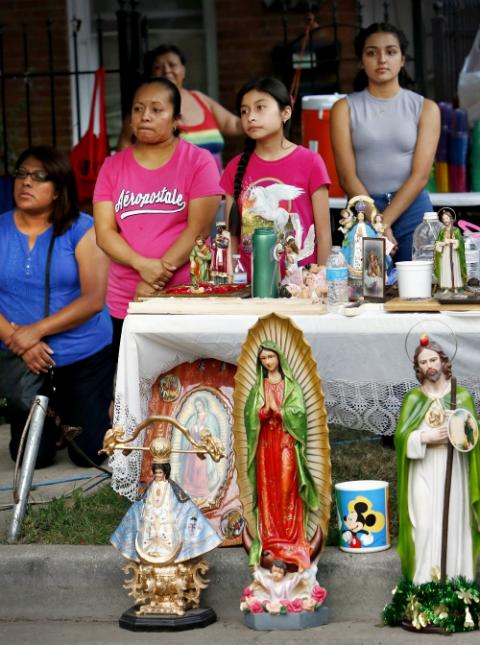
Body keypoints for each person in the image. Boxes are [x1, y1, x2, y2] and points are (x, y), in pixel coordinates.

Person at [0, 146, 113, 468]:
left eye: (39, 177)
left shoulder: (83, 229)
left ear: (58, 189)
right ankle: (57, 417)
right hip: (26, 360)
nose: (26, 182)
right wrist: (18, 340)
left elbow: (93, 300)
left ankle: (89, 407)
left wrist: (34, 332)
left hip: (82, 355)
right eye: (21, 174)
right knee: (31, 459)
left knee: (89, 455)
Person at [93, 77, 223, 358]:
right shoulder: (112, 167)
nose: (145, 116)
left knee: (188, 383)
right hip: (126, 296)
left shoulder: (199, 162)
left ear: (177, 119)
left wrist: (153, 281)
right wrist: (142, 266)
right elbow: (104, 233)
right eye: (138, 109)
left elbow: (198, 230)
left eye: (156, 109)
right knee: (133, 385)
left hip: (187, 292)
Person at [330, 22, 441, 262]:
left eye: (391, 52)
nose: (382, 59)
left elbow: (421, 175)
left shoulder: (426, 108)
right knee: (365, 290)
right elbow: (347, 177)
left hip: (414, 210)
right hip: (362, 211)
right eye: (372, 52)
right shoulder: (343, 109)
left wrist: (383, 223)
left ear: (402, 60)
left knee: (421, 290)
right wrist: (376, 221)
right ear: (361, 61)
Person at [220, 76, 331, 282]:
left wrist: (319, 283)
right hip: (248, 284)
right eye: (244, 111)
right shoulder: (235, 167)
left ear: (285, 113)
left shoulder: (310, 162)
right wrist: (231, 281)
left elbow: (324, 236)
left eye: (260, 108)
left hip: (300, 283)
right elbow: (232, 236)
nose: (251, 117)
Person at [395, 338, 480, 584]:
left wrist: (461, 422)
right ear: (418, 368)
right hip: (423, 467)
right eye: (424, 362)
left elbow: (473, 438)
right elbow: (400, 438)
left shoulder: (460, 396)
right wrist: (423, 436)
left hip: (454, 470)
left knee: (454, 524)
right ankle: (423, 585)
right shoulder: (413, 399)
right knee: (424, 526)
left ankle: (455, 583)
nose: (430, 365)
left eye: (433, 360)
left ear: (443, 361)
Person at [243, 341, 319, 570]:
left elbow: (299, 414)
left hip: (285, 441)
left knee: (287, 487)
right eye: (263, 358)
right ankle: (271, 537)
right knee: (269, 488)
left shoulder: (291, 386)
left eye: (271, 357)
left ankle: (292, 539)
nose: (267, 362)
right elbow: (250, 416)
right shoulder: (259, 388)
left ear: (279, 358)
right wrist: (262, 413)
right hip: (266, 444)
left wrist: (282, 412)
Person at [117, 44, 242, 169]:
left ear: (183, 70)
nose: (166, 70)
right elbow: (125, 145)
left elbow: (235, 125)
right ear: (152, 74)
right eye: (158, 67)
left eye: (172, 65)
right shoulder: (144, 108)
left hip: (215, 186)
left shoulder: (199, 98)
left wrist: (258, 112)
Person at [111, 460, 221, 564]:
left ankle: (168, 553)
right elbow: (143, 501)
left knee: (166, 532)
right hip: (151, 516)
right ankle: (150, 553)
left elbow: (181, 502)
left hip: (166, 516)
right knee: (150, 533)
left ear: (165, 472)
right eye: (156, 473)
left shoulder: (170, 487)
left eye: (160, 472)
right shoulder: (151, 486)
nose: (158, 475)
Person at [434, 207, 466, 292]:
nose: (445, 220)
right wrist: (442, 243)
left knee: (455, 268)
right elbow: (438, 242)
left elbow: (460, 242)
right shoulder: (442, 231)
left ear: (451, 218)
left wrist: (452, 241)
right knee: (446, 269)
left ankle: (455, 286)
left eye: (447, 218)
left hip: (454, 253)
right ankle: (447, 287)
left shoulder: (456, 231)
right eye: (443, 218)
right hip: (445, 252)